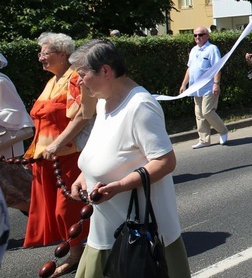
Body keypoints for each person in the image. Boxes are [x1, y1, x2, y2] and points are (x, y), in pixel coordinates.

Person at [68, 39, 190, 277]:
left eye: (82, 74)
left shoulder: (140, 106)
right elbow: (108, 150)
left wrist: (121, 185)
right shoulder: (104, 102)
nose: (79, 81)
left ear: (105, 71)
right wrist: (85, 175)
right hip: (106, 231)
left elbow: (165, 161)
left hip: (138, 238)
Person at [24, 33, 96, 276]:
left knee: (66, 209)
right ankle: (78, 248)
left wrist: (57, 144)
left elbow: (83, 115)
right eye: (41, 53)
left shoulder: (74, 78)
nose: (40, 57)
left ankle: (77, 255)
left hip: (68, 154)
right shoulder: (53, 81)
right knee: (57, 210)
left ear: (62, 54)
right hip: (47, 157)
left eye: (45, 53)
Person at [180, 26, 229, 149]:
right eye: (195, 35)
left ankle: (223, 131)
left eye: (200, 35)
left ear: (207, 35)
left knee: (207, 112)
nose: (197, 37)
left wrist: (216, 84)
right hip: (196, 88)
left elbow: (217, 67)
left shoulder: (212, 49)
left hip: (208, 87)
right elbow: (190, 69)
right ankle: (204, 139)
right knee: (199, 115)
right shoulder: (193, 50)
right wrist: (184, 84)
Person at [0, 54, 34, 215]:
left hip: (5, 154)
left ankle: (52, 223)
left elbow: (17, 113)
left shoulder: (1, 81)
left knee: (21, 196)